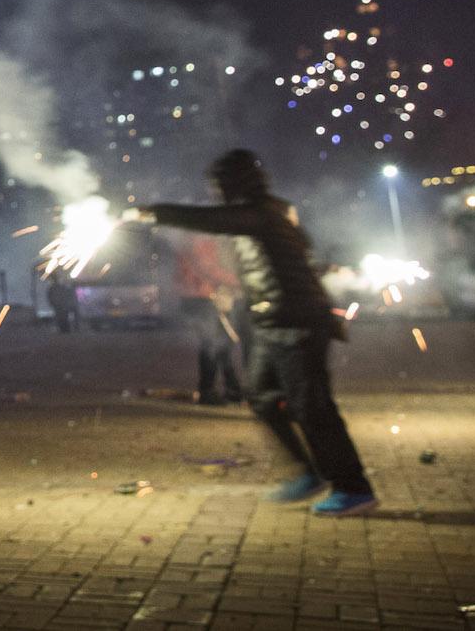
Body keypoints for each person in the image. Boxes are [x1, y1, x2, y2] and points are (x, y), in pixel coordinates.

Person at [136, 149, 377, 516]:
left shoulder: (259, 212)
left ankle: (353, 487)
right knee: (262, 397)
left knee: (312, 408)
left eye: (219, 184)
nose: (216, 192)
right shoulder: (266, 214)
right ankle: (309, 473)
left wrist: (156, 212)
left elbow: (219, 221)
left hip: (296, 323)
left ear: (236, 182)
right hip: (272, 322)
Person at [170, 230, 244, 404]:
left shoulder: (195, 236)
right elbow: (207, 268)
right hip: (199, 298)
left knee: (221, 343)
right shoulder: (198, 237)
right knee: (212, 345)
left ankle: (231, 389)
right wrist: (239, 281)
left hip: (198, 296)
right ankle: (209, 392)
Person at [46, 266, 81, 332]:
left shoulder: (55, 287)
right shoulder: (58, 287)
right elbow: (53, 296)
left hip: (61, 305)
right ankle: (65, 329)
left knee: (62, 317)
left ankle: (65, 329)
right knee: (62, 317)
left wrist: (53, 302)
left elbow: (51, 296)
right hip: (61, 304)